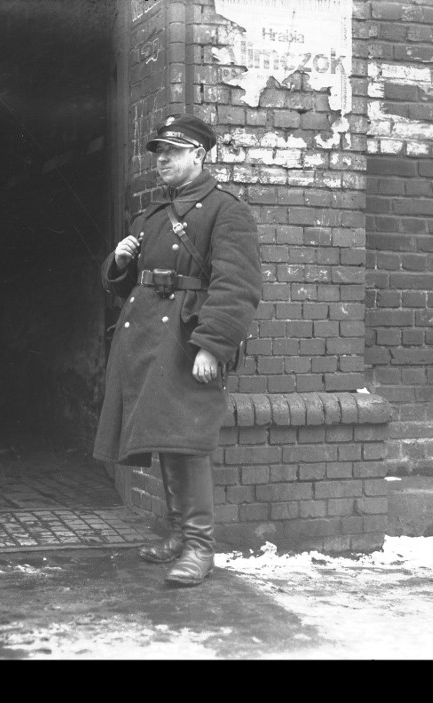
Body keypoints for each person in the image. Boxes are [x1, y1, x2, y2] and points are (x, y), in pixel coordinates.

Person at [93, 113, 262, 586]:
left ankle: (200, 547)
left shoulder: (226, 210)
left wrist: (213, 346)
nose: (161, 160)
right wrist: (119, 262)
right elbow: (131, 285)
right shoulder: (149, 217)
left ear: (199, 155)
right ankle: (177, 534)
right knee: (166, 436)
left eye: (172, 151)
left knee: (186, 442)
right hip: (146, 340)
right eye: (158, 152)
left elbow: (237, 286)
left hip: (185, 340)